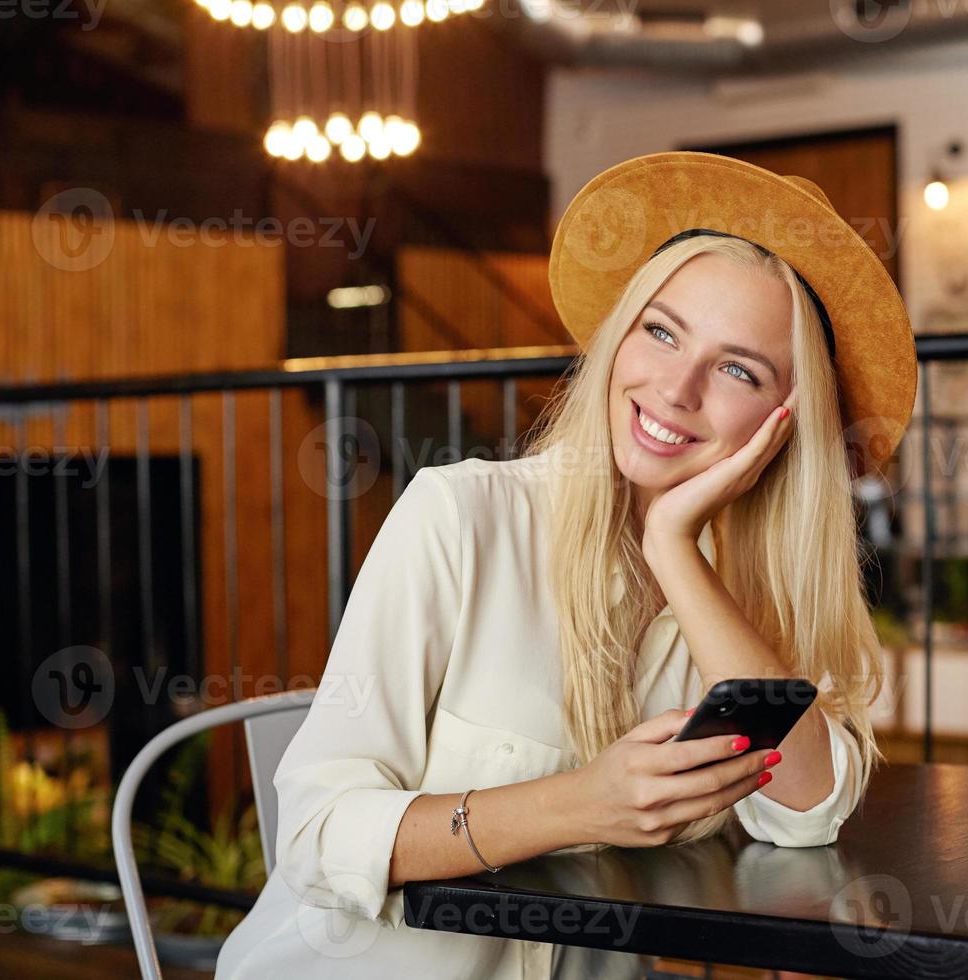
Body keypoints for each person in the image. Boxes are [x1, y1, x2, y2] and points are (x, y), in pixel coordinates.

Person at [215, 150, 917, 978]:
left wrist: (674, 549)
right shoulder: (460, 518)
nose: (676, 388)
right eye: (660, 331)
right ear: (620, 338)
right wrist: (582, 804)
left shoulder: (738, 598)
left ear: (784, 422)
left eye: (737, 368)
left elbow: (805, 813)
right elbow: (313, 833)